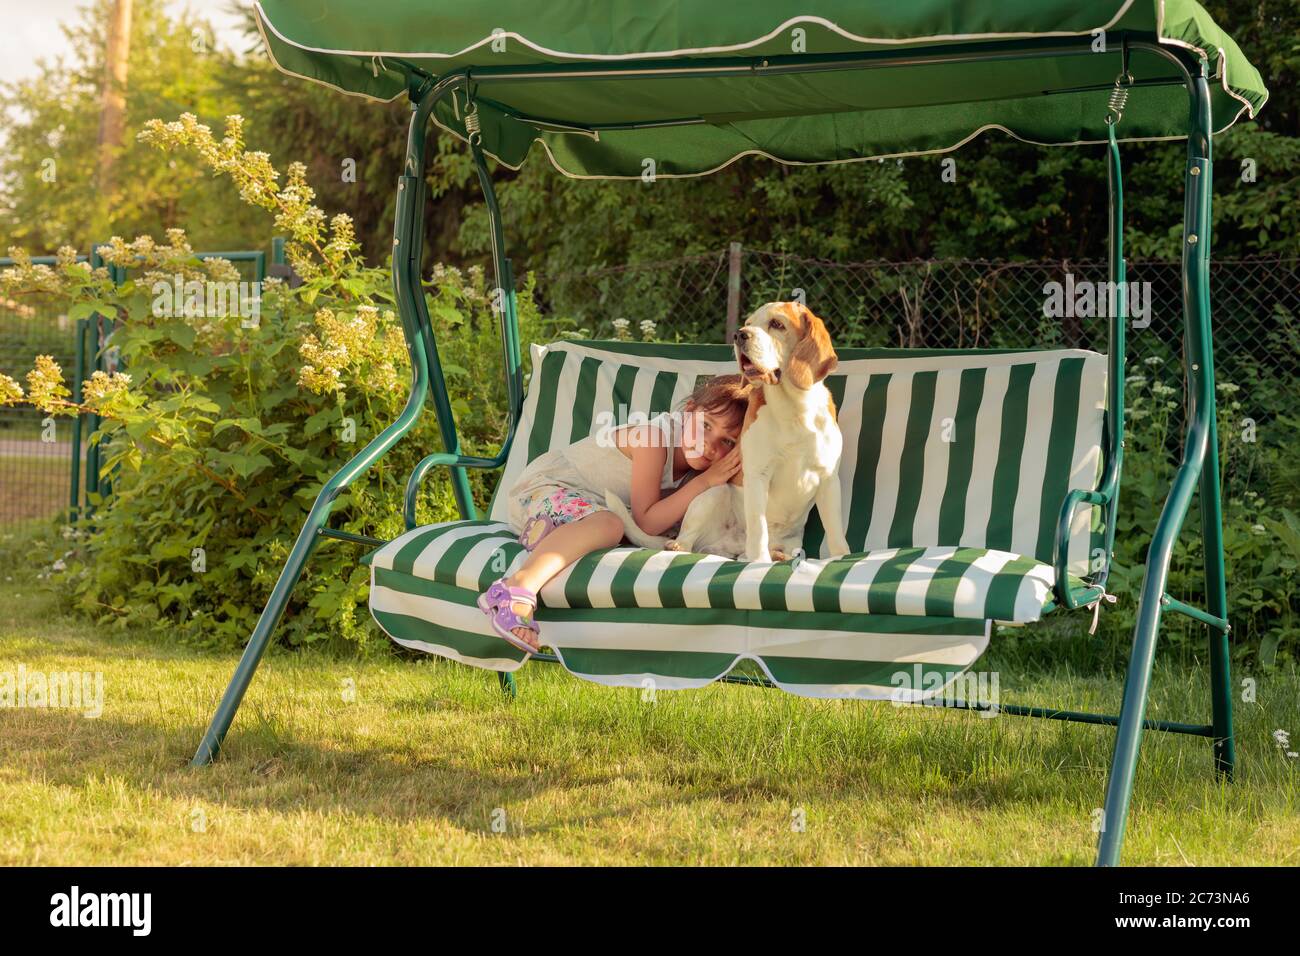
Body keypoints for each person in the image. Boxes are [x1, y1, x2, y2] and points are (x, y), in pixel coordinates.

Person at [478, 374, 752, 653]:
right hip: (545, 489)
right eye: (705, 425)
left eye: (728, 442)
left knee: (612, 527)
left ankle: (553, 533)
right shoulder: (653, 439)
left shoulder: (699, 471)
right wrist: (705, 482)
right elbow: (647, 521)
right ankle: (516, 589)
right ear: (689, 411)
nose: (710, 444)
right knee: (610, 525)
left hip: (585, 508)